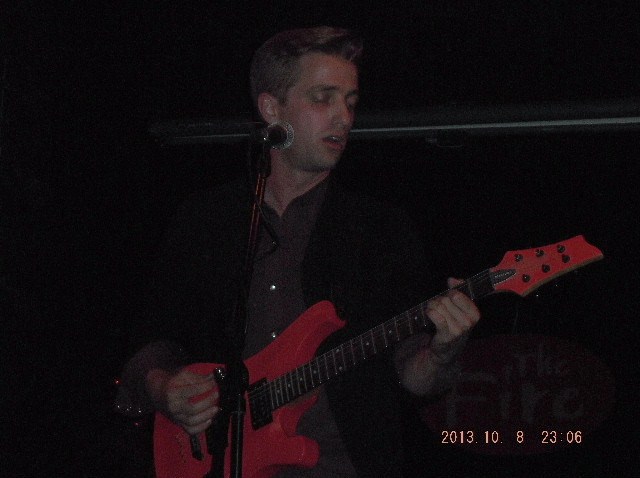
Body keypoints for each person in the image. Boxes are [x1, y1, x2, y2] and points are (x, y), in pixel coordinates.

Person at [116, 26, 480, 477]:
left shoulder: (382, 229)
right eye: (323, 99)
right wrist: (166, 388)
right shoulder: (206, 219)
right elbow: (149, 339)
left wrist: (444, 352)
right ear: (272, 109)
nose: (343, 117)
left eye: (350, 102)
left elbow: (415, 378)